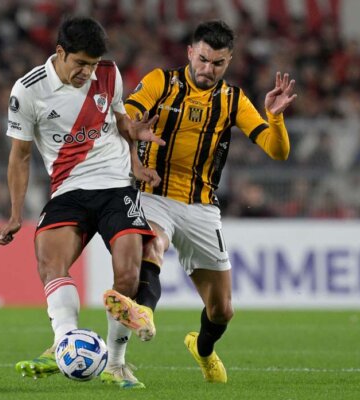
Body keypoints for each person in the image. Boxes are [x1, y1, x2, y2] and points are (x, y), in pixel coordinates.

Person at [0, 16, 165, 389]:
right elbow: (19, 157)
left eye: (92, 64)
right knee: (50, 263)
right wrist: (14, 213)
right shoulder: (29, 90)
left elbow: (122, 122)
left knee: (127, 275)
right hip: (68, 190)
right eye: (80, 64)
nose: (88, 72)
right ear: (60, 53)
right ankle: (65, 342)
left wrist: (136, 161)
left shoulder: (109, 73)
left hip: (115, 185)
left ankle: (116, 364)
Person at [124, 20, 296, 383]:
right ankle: (143, 313)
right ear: (190, 52)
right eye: (202, 59)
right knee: (153, 245)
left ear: (229, 62)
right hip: (153, 193)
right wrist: (135, 159)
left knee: (222, 311)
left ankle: (202, 349)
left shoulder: (233, 100)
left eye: (217, 63)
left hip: (201, 207)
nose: (207, 69)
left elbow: (277, 151)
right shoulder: (161, 81)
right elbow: (125, 117)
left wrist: (275, 119)